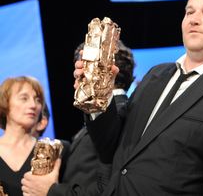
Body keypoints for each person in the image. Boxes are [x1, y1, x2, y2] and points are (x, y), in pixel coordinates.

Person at [72, 0, 203, 195]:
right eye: (189, 12)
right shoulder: (155, 75)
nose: (193, 19)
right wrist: (98, 96)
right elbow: (111, 147)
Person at [21, 40, 136, 196]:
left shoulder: (119, 116)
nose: (77, 74)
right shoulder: (104, 116)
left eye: (83, 66)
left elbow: (108, 187)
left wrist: (50, 191)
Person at [0, 76, 45, 196]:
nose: (33, 105)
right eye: (24, 98)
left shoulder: (53, 152)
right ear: (5, 103)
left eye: (38, 100)